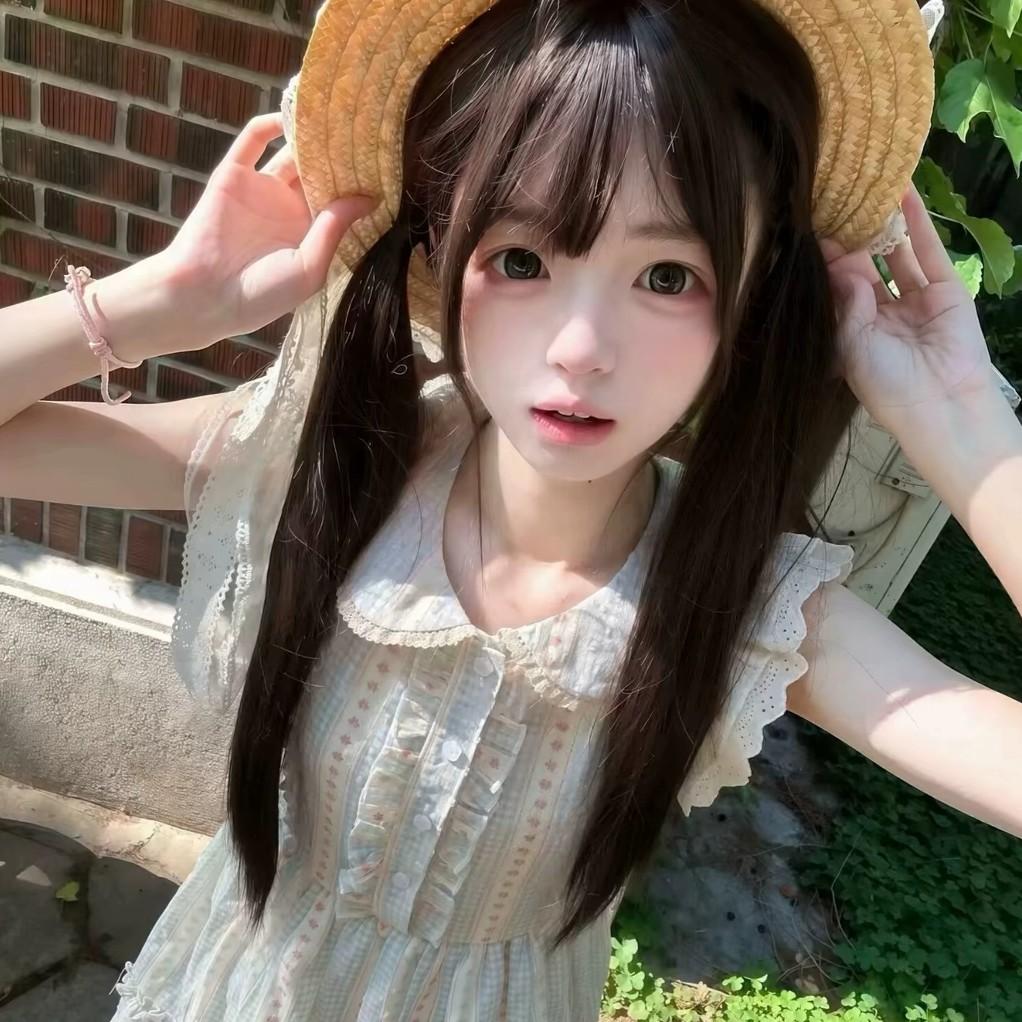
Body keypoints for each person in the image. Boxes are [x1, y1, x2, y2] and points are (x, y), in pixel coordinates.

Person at [1, 0, 1020, 1019]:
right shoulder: (342, 459)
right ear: (442, 247)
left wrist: (965, 429)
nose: (581, 349)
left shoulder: (743, 608)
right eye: (522, 260)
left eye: (668, 275)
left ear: (752, 298)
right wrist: (159, 303)